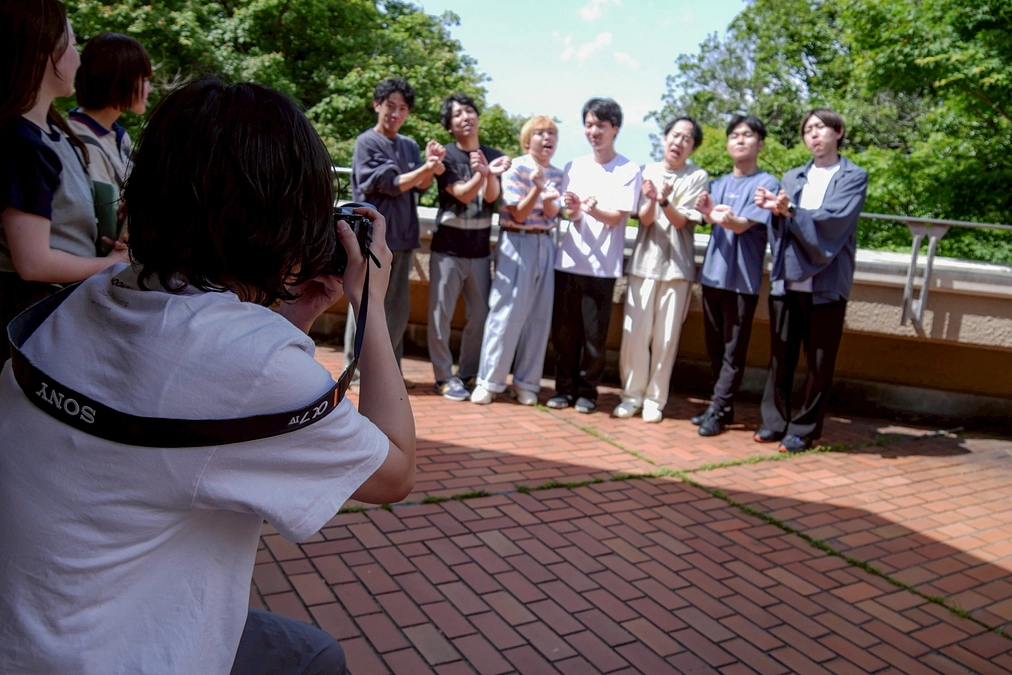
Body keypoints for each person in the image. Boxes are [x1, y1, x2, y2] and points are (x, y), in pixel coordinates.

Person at [0, 78, 415, 674]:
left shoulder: (85, 297)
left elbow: (197, 368)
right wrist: (369, 304)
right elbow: (395, 472)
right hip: (104, 653)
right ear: (280, 213)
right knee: (316, 661)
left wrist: (287, 314)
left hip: (33, 628)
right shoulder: (254, 362)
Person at [0, 0, 129, 363]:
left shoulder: (56, 133)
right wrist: (115, 265)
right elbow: (34, 263)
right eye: (72, 44)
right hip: (29, 324)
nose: (78, 57)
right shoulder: (20, 142)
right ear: (43, 55)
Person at [754, 107, 868, 452]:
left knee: (819, 361)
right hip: (789, 279)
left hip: (827, 282)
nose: (814, 134)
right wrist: (775, 210)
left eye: (820, 127)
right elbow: (782, 226)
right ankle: (775, 421)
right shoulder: (792, 178)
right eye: (808, 130)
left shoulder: (853, 176)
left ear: (839, 132)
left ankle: (804, 428)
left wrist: (790, 212)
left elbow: (834, 222)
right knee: (781, 356)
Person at [548, 98, 642, 413]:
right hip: (569, 260)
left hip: (602, 267)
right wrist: (574, 209)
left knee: (594, 336)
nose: (594, 131)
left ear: (615, 128)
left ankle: (588, 392)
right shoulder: (574, 166)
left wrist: (593, 209)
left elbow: (618, 217)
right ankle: (564, 389)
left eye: (601, 125)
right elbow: (569, 215)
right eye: (589, 124)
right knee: (563, 333)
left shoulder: (628, 169)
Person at [613, 117, 707, 423]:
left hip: (677, 268)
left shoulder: (697, 176)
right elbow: (645, 218)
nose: (678, 142)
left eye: (687, 139)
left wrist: (664, 198)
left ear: (693, 146)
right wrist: (653, 199)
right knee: (635, 335)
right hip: (643, 264)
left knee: (666, 339)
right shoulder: (648, 171)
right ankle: (631, 395)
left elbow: (681, 222)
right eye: (675, 135)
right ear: (665, 138)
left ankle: (655, 398)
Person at [348, 78, 445, 374]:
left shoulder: (409, 145)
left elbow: (419, 186)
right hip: (371, 239)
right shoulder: (367, 142)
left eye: (403, 108)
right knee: (366, 305)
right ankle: (357, 370)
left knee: (397, 311)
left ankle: (389, 371)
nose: (396, 113)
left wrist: (430, 166)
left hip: (402, 238)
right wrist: (426, 168)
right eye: (391, 106)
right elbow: (390, 185)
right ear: (378, 105)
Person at [692, 115, 781, 436]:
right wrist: (706, 213)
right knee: (714, 347)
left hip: (742, 280)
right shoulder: (716, 184)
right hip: (712, 276)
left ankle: (717, 409)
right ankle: (723, 407)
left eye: (747, 135)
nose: (740, 141)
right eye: (734, 136)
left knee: (733, 351)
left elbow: (742, 225)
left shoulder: (768, 184)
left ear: (760, 143)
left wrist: (722, 217)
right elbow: (701, 217)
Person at [470, 116, 563, 406]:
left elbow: (551, 214)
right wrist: (537, 188)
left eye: (551, 134)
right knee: (505, 313)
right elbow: (519, 214)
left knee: (538, 316)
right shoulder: (516, 167)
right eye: (540, 133)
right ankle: (489, 381)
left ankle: (526, 382)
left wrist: (547, 194)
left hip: (545, 243)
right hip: (516, 240)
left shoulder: (558, 174)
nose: (546, 138)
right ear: (527, 140)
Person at [429, 93, 511, 400]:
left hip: (479, 250)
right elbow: (462, 194)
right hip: (447, 249)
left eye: (469, 111)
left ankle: (467, 373)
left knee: (480, 315)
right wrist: (482, 172)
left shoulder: (492, 153)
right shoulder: (445, 157)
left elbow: (491, 197)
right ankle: (442, 376)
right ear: (450, 126)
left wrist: (488, 173)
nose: (465, 117)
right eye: (457, 114)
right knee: (441, 316)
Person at [68, 32, 152, 189]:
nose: (150, 89)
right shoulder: (82, 141)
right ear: (121, 80)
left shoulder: (119, 136)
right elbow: (106, 209)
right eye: (145, 80)